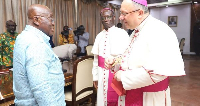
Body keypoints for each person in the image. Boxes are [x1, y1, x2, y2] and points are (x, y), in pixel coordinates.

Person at [105, 0, 185, 106]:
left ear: (140, 13)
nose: (120, 17)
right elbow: (133, 58)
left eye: (124, 13)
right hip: (133, 93)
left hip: (149, 98)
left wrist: (123, 77)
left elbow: (157, 73)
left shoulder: (159, 30)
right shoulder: (136, 31)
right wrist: (116, 62)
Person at [13, 4, 65, 105]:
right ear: (36, 20)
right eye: (50, 18)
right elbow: (41, 88)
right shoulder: (36, 43)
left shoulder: (23, 37)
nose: (53, 23)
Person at [91, 8, 129, 106]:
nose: (106, 19)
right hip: (101, 73)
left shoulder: (122, 34)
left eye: (108, 17)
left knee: (118, 100)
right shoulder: (99, 36)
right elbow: (96, 59)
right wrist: (95, 77)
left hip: (116, 73)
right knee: (102, 99)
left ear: (114, 17)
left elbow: (128, 56)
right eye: (103, 17)